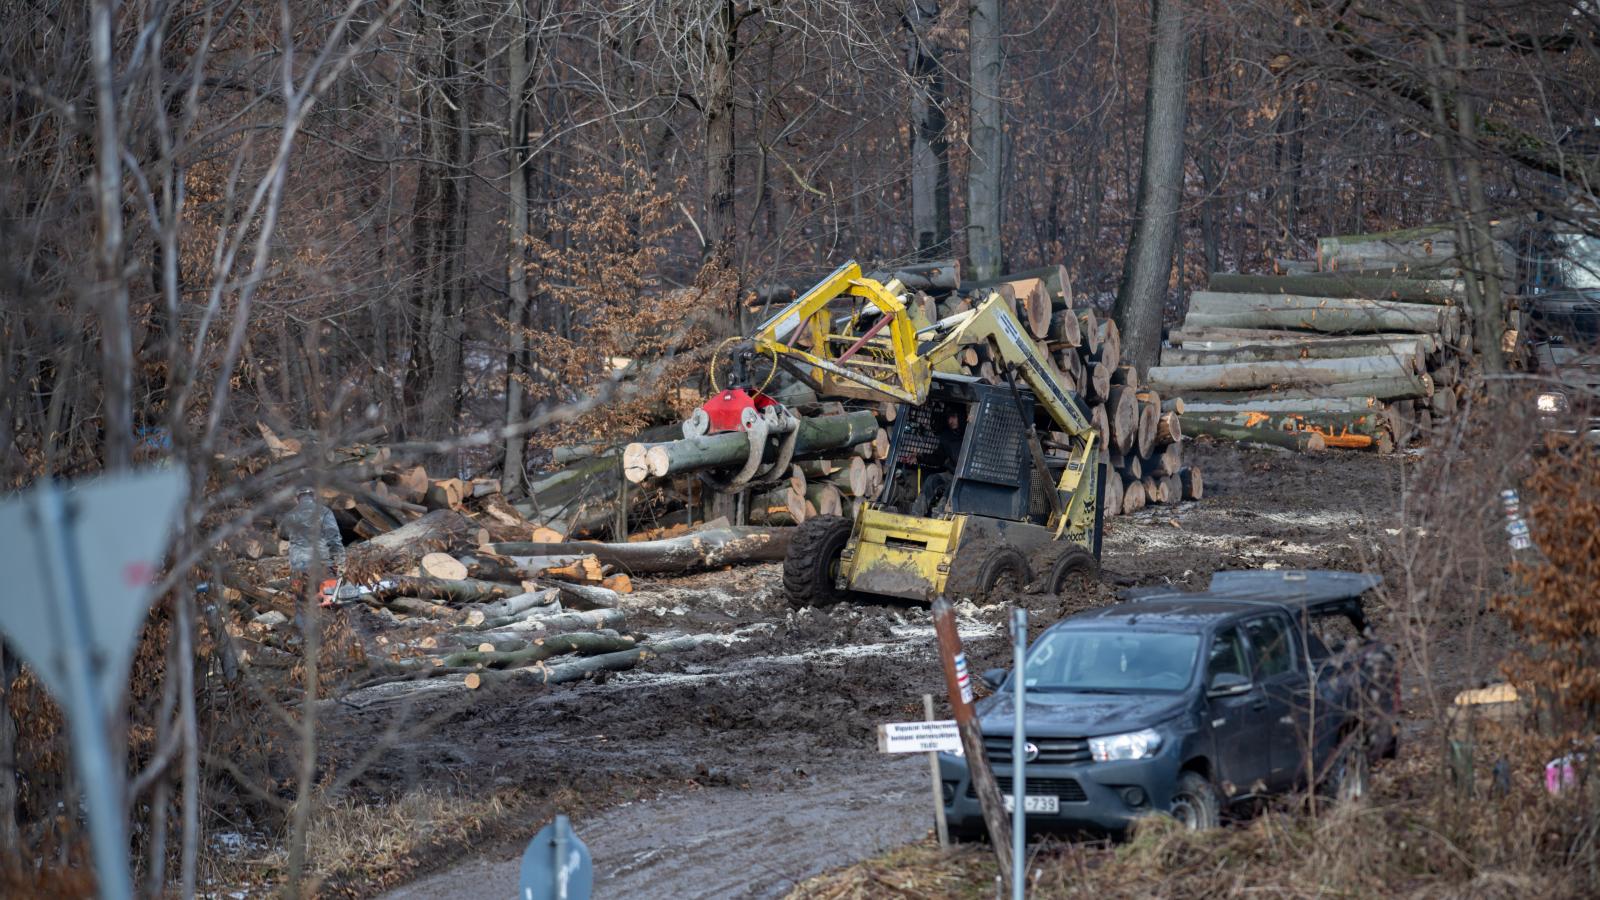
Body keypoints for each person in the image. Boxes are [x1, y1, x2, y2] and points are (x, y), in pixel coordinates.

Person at [281, 487, 345, 631]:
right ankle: (334, 636)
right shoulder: (324, 511)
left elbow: (282, 533)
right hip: (323, 564)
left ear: (296, 498)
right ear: (314, 496)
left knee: (302, 604)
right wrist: (340, 561)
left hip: (299, 567)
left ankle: (304, 640)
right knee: (330, 601)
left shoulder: (290, 515)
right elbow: (334, 537)